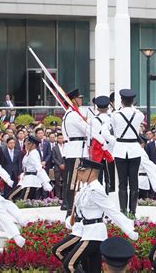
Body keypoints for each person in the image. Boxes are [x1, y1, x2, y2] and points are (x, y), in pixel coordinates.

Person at [63, 158, 138, 272]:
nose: (80, 174)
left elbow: (111, 210)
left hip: (94, 234)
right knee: (92, 269)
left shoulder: (96, 190)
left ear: (92, 172)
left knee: (69, 264)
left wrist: (129, 229)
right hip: (87, 232)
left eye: (83, 171)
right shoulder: (87, 188)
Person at [111, 89, 144, 215]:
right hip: (134, 149)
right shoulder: (139, 114)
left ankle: (123, 210)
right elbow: (138, 114)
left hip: (120, 149)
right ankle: (133, 211)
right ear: (133, 101)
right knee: (134, 181)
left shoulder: (116, 115)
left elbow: (114, 129)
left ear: (122, 101)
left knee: (122, 182)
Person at [61, 88, 88, 217]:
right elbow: (87, 129)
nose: (81, 100)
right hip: (76, 150)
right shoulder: (73, 115)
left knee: (74, 181)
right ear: (73, 100)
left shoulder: (69, 114)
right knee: (74, 181)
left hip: (74, 149)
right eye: (79, 98)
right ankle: (71, 210)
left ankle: (71, 208)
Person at [8, 135, 52, 201]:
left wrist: (45, 182)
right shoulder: (29, 153)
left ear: (33, 145)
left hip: (30, 181)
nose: (26, 145)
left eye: (28, 143)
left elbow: (39, 168)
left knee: (23, 201)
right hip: (25, 179)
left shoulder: (33, 154)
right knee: (11, 197)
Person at [88, 95, 115, 194]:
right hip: (111, 151)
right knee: (111, 175)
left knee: (97, 176)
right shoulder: (113, 117)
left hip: (97, 151)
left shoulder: (92, 120)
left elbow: (90, 137)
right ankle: (109, 191)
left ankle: (99, 193)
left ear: (97, 108)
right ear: (108, 107)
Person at [138, 135, 156, 199]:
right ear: (142, 143)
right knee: (141, 200)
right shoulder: (140, 152)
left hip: (142, 179)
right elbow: (149, 164)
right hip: (141, 180)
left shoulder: (140, 151)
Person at [52, 133, 66, 208]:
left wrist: (64, 164)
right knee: (57, 182)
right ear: (57, 139)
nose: (61, 139)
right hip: (57, 167)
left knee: (65, 181)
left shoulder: (66, 146)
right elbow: (54, 157)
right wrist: (59, 164)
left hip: (65, 166)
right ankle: (58, 196)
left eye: (62, 138)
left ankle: (64, 196)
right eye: (59, 138)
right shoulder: (54, 148)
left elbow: (67, 156)